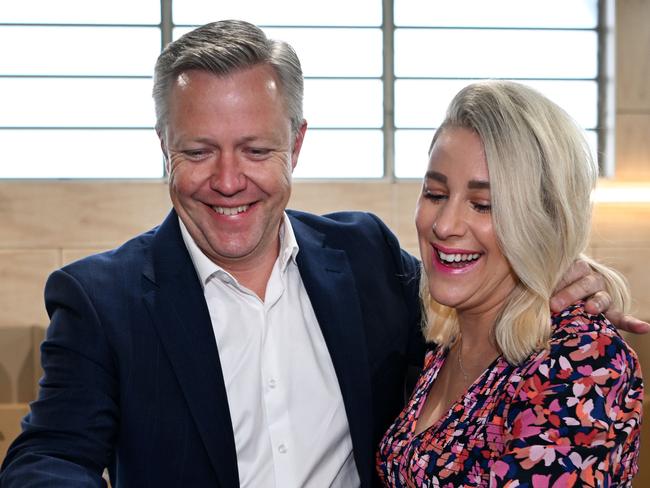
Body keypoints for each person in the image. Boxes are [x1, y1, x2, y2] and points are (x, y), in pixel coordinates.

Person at [0, 21, 643, 488]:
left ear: (297, 144)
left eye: (256, 150)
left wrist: (562, 273)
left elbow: (489, 286)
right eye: (198, 152)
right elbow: (49, 456)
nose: (228, 180)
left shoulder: (365, 258)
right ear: (163, 146)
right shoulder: (99, 299)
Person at [376, 81, 643, 487]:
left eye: (483, 205)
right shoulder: (446, 345)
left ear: (541, 219)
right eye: (434, 193)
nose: (444, 225)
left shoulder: (581, 361)